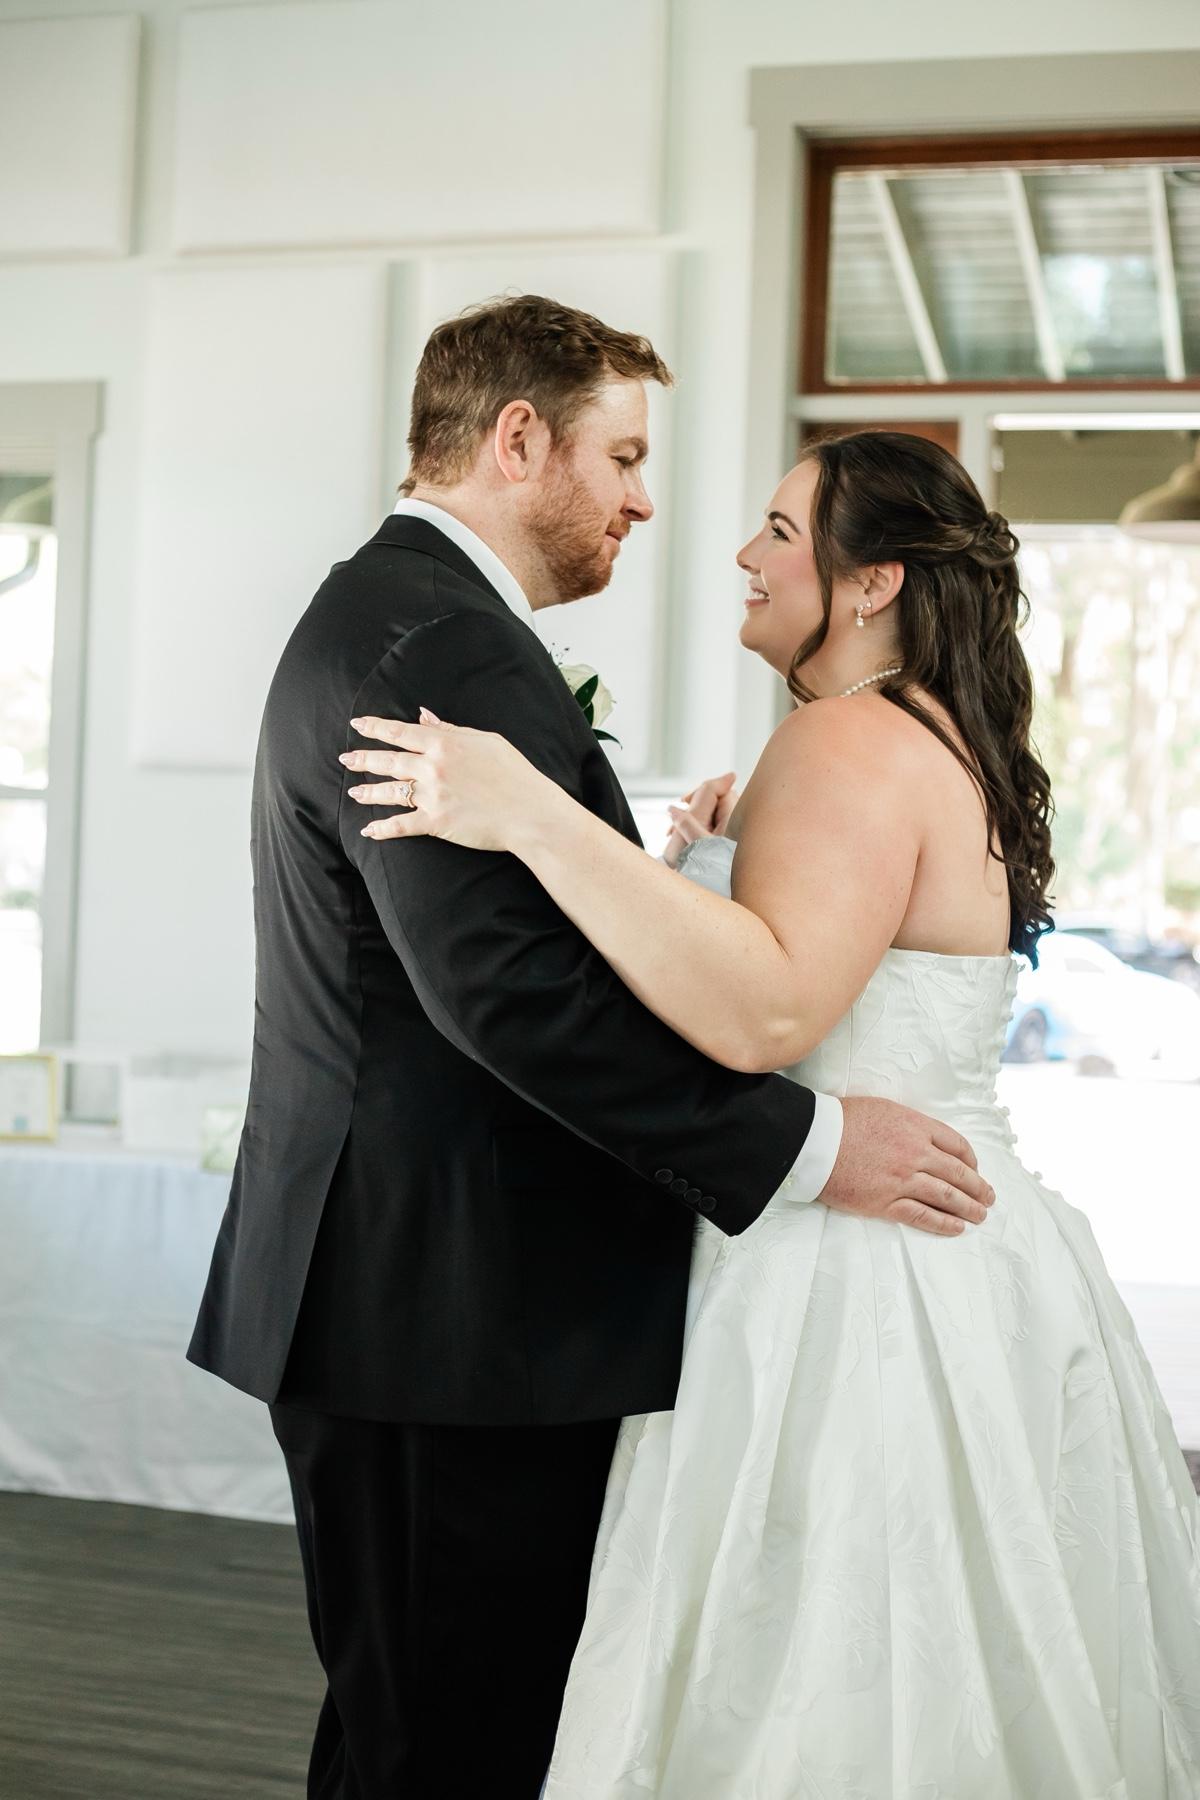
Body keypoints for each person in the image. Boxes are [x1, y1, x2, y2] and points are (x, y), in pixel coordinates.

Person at [187, 305, 990, 1800]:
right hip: (451, 1305)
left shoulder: (406, 614)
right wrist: (812, 1148)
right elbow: (506, 997)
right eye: (622, 457)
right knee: (452, 1749)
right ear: (517, 440)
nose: (644, 501)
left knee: (415, 1735)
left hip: (431, 1295)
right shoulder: (439, 642)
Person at [344, 429, 1200, 1798]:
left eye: (782, 533)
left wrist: (533, 816)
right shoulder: (933, 733)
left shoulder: (842, 741)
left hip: (845, 1268)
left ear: (873, 582)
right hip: (972, 1254)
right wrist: (689, 866)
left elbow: (767, 1018)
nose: (745, 554)